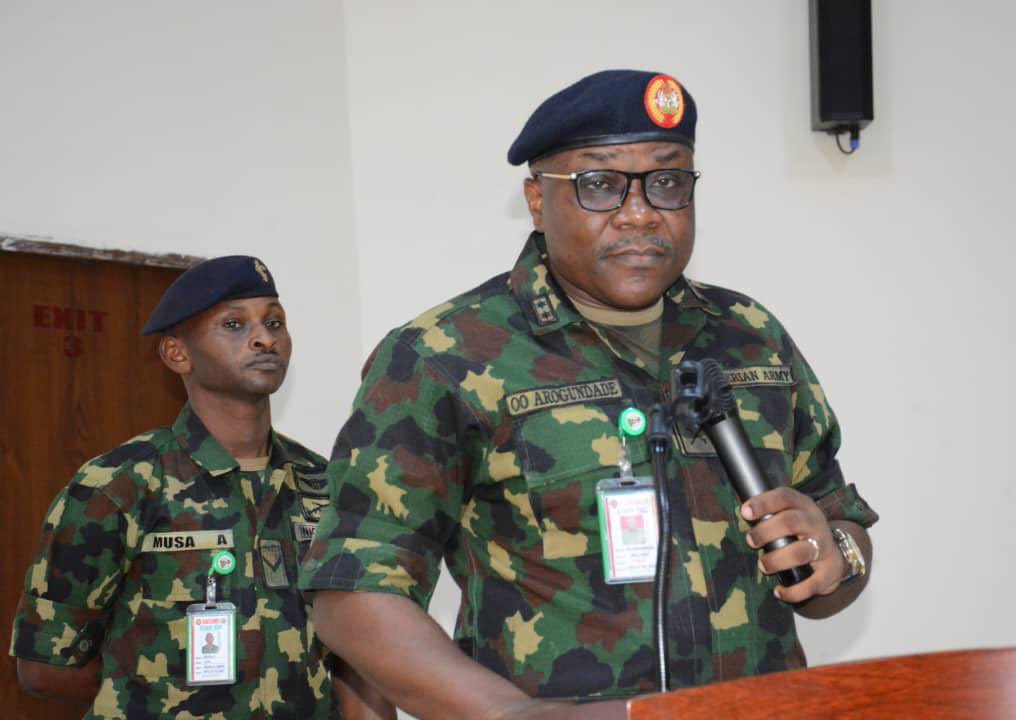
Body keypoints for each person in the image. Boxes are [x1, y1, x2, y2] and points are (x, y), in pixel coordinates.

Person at [301, 70, 879, 719]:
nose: (640, 213)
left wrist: (837, 554)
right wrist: (518, 716)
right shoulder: (444, 354)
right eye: (600, 185)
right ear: (537, 200)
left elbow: (837, 527)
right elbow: (351, 596)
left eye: (667, 182)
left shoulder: (750, 337)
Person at [10, 255, 395, 719]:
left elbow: (358, 655)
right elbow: (46, 667)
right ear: (178, 354)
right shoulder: (119, 485)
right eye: (234, 324)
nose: (264, 338)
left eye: (274, 322)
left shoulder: (323, 484)